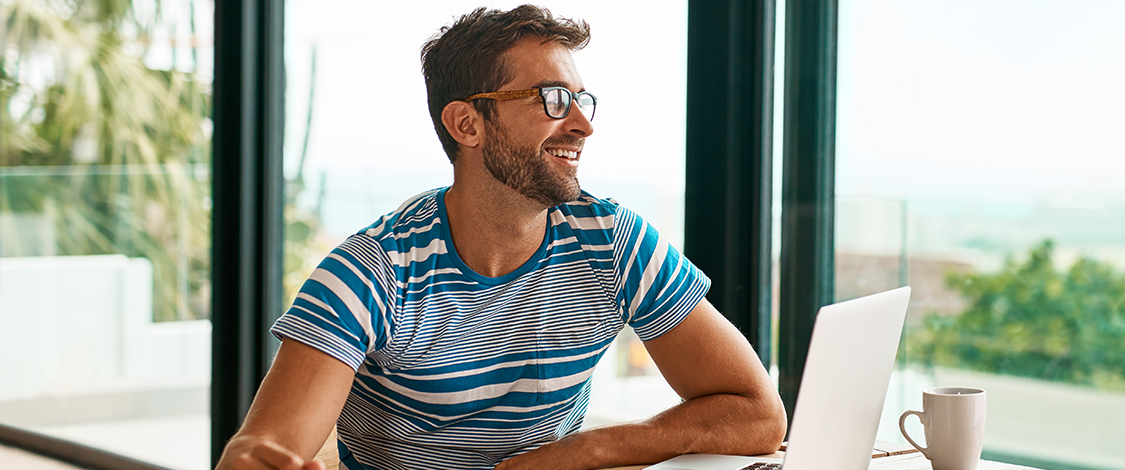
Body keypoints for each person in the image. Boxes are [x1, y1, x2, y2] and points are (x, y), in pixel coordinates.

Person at [215, 5, 786, 470]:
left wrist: (584, 451)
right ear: (467, 124)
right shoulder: (372, 271)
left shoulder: (613, 242)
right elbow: (262, 449)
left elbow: (758, 415)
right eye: (553, 100)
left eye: (582, 100)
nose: (584, 125)